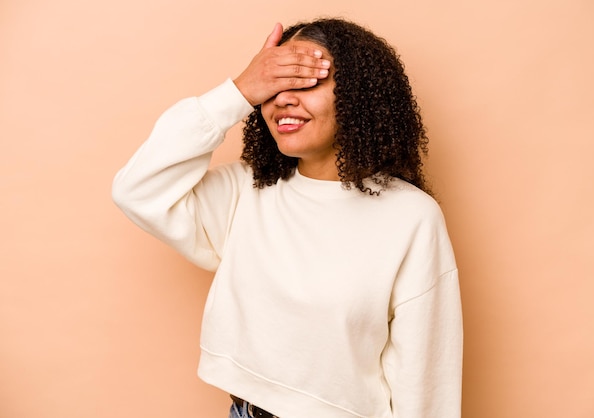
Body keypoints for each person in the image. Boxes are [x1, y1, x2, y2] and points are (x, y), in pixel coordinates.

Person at [112, 17, 463, 418]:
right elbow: (135, 189)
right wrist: (239, 92)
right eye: (275, 82)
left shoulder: (411, 217)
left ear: (359, 97)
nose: (283, 99)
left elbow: (427, 382)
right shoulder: (247, 190)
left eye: (307, 81)